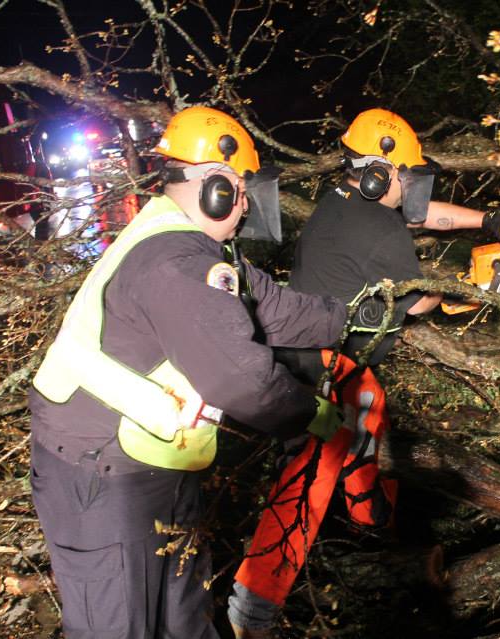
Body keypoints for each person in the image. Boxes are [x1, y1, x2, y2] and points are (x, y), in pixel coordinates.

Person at [27, 105, 351, 639]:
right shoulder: (176, 260)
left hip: (152, 459)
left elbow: (273, 307)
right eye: (242, 191)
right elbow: (240, 381)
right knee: (119, 628)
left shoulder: (193, 246)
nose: (247, 206)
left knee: (184, 618)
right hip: (101, 472)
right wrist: (310, 412)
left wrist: (352, 316)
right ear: (215, 186)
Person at [228, 108, 500, 638]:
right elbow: (415, 305)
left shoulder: (346, 200)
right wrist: (471, 287)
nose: (410, 187)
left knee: (369, 413)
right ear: (378, 173)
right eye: (405, 177)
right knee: (307, 479)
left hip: (325, 356)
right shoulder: (376, 228)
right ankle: (253, 606)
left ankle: (373, 533)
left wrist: (486, 220)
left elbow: (421, 214)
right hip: (316, 365)